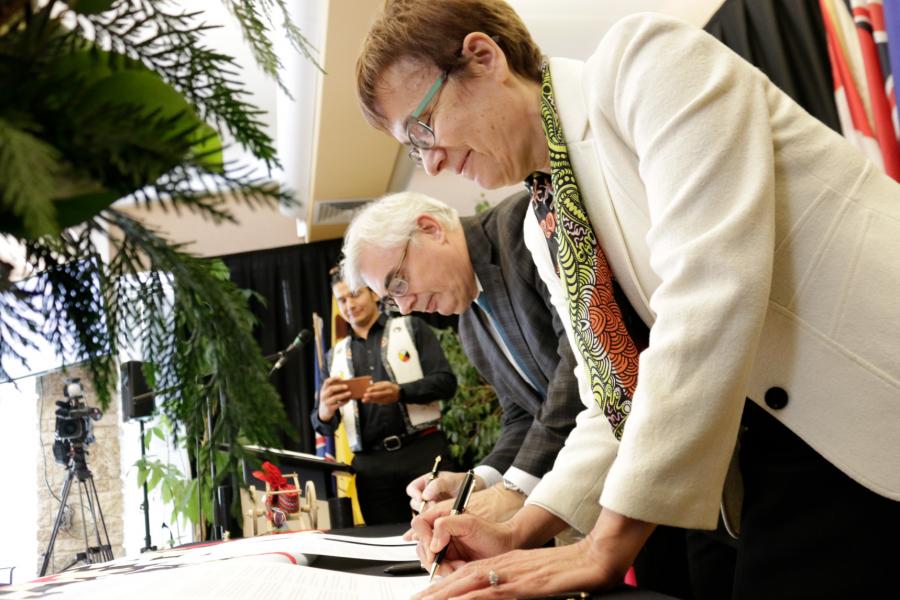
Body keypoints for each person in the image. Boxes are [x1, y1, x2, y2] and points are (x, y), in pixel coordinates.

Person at [348, 2, 900, 599]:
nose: (430, 162)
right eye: (414, 149)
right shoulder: (544, 222)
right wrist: (517, 531)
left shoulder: (644, 62)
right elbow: (614, 399)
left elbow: (710, 291)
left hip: (869, 407)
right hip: (776, 458)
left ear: (484, 59)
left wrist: (604, 545)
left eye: (423, 127)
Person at [342, 190, 586, 528]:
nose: (406, 307)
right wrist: (475, 482)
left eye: (398, 283)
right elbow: (522, 415)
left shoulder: (522, 227)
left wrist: (514, 489)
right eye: (392, 300)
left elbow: (581, 361)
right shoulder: (470, 326)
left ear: (431, 230)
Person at [311, 268, 457, 525]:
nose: (349, 305)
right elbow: (322, 423)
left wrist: (400, 392)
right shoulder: (334, 356)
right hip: (371, 468)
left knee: (445, 529)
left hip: (422, 451)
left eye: (355, 294)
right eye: (342, 300)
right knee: (384, 540)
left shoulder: (411, 327)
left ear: (374, 294)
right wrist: (324, 410)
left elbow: (446, 383)